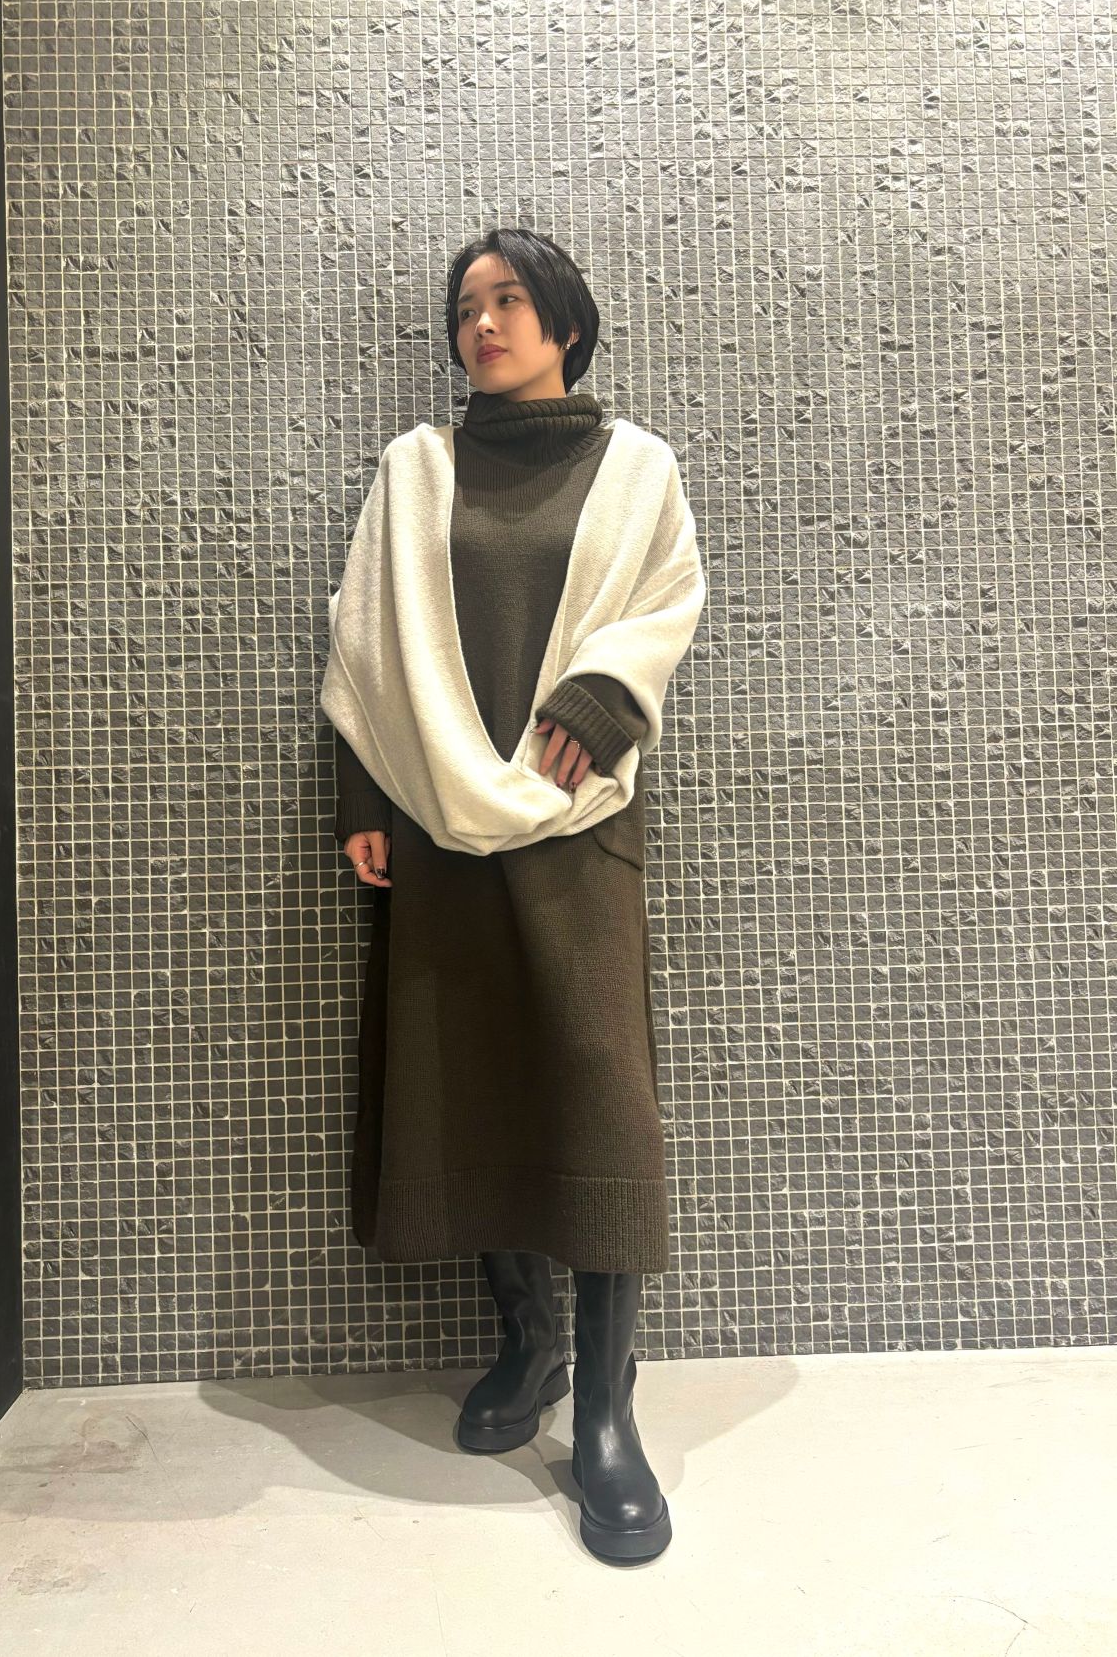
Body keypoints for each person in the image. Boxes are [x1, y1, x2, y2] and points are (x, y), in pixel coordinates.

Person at [323, 227, 706, 1564]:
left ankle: (606, 1412)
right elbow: (364, 640)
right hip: (435, 821)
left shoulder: (638, 468)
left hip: (576, 822)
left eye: (509, 301)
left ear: (567, 325)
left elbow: (664, 602)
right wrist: (365, 804)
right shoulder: (415, 470)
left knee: (597, 1101)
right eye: (466, 306)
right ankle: (529, 1345)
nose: (483, 324)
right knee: (470, 1084)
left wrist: (604, 702)